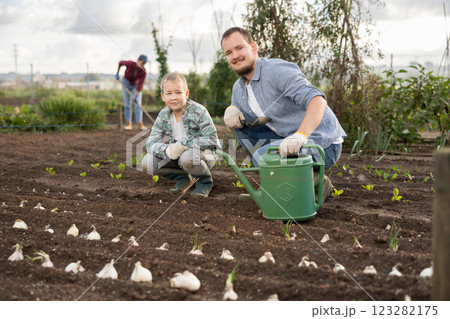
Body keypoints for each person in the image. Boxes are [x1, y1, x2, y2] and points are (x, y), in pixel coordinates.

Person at [221, 27, 347, 199]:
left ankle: (314, 183)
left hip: (323, 143)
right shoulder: (238, 88)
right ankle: (281, 181)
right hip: (285, 140)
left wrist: (301, 135)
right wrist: (231, 109)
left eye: (239, 48)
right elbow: (243, 122)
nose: (235, 56)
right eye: (229, 52)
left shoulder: (275, 71)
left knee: (261, 157)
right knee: (240, 126)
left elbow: (317, 100)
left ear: (253, 47)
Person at [142, 72, 221, 197]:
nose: (174, 97)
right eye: (169, 93)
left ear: (186, 93)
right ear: (163, 96)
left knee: (187, 158)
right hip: (179, 156)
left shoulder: (199, 111)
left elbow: (212, 140)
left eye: (178, 92)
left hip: (204, 155)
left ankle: (205, 182)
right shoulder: (163, 115)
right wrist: (167, 149)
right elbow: (150, 143)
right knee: (147, 162)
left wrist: (183, 145)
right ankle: (184, 179)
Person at [115, 54, 148, 130]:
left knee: (138, 104)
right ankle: (128, 124)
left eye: (144, 64)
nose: (142, 65)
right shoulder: (131, 63)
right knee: (127, 104)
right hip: (126, 83)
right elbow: (120, 63)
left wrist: (136, 96)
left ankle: (140, 124)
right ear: (138, 60)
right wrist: (117, 73)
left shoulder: (143, 71)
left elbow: (140, 84)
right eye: (142, 62)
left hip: (135, 85)